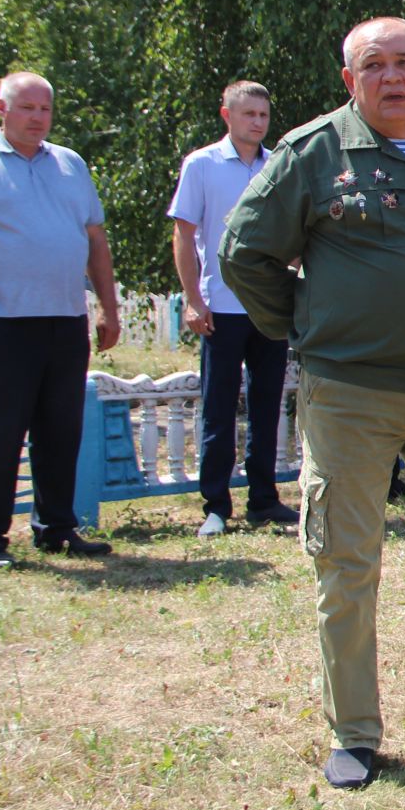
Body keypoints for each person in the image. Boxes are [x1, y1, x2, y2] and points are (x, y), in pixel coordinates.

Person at [219, 17, 405, 790]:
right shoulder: (314, 150)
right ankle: (355, 733)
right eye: (375, 66)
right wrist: (309, 327)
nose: (393, 77)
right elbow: (243, 251)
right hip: (351, 393)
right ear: (349, 79)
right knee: (347, 565)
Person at [0, 71, 120, 568]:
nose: (38, 118)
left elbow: (94, 240)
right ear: (1, 107)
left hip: (64, 318)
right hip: (1, 320)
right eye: (27, 108)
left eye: (45, 109)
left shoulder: (70, 163)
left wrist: (108, 306)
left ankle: (56, 528)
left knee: (61, 431)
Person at [167, 80, 297, 537]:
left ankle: (264, 499)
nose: (258, 123)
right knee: (219, 409)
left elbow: (291, 229)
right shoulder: (202, 165)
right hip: (220, 306)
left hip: (268, 307)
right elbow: (185, 236)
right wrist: (193, 299)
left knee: (266, 407)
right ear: (227, 115)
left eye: (263, 115)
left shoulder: (278, 164)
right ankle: (216, 506)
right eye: (249, 115)